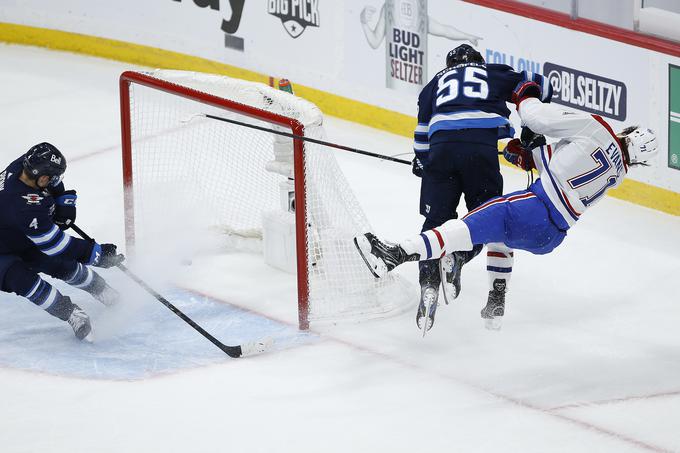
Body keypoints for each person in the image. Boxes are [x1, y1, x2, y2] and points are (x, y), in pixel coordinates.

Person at [355, 82, 658, 330]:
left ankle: (394, 254)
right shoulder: (618, 173)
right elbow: (563, 168)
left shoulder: (598, 129)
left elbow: (539, 120)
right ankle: (496, 299)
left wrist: (524, 96)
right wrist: (531, 153)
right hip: (551, 236)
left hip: (534, 207)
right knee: (500, 232)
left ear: (628, 132)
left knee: (464, 226)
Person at [410, 44, 552, 333]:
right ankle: (462, 262)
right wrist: (530, 124)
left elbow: (422, 138)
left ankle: (429, 283)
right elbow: (542, 84)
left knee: (435, 222)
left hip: (442, 153)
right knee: (488, 221)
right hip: (480, 153)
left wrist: (424, 162)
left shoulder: (432, 85)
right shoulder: (491, 73)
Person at [0, 143, 125, 340]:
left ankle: (103, 291)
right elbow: (55, 245)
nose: (56, 180)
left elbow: (51, 181)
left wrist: (61, 200)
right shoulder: (23, 206)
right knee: (26, 282)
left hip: (17, 233)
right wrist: (97, 254)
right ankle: (72, 314)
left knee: (62, 265)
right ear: (42, 178)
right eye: (52, 178)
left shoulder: (25, 166)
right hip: (3, 250)